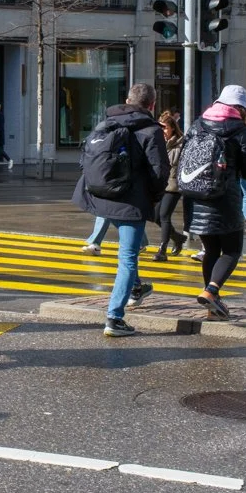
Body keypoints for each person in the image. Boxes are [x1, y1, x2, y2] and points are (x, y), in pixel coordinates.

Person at [71, 83, 169, 338]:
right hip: (130, 203)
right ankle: (114, 318)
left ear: (127, 100)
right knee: (127, 258)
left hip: (99, 198)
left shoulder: (106, 123)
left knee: (129, 254)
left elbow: (85, 158)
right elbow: (160, 172)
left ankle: (136, 288)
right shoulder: (150, 130)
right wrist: (153, 199)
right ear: (152, 104)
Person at [185, 85, 246, 319]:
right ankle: (211, 291)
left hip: (196, 198)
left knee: (210, 251)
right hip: (225, 199)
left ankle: (213, 307)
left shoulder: (197, 124)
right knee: (231, 250)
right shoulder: (240, 130)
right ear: (240, 108)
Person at [152, 110, 190, 261]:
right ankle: (177, 237)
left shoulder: (180, 144)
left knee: (164, 215)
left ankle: (162, 250)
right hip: (161, 185)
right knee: (155, 216)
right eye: (160, 128)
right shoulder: (157, 142)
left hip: (174, 185)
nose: (163, 131)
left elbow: (175, 163)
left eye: (165, 128)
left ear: (173, 128)